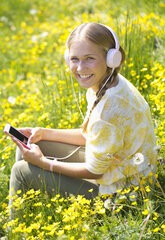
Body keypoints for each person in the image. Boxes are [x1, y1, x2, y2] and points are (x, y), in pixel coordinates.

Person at [9, 22, 157, 210]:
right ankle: (33, 208)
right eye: (75, 59)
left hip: (122, 198)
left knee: (21, 171)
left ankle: (15, 233)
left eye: (89, 58)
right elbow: (90, 135)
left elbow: (94, 171)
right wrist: (44, 133)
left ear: (111, 58)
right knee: (31, 144)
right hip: (116, 173)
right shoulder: (108, 84)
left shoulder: (108, 109)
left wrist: (44, 164)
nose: (80, 68)